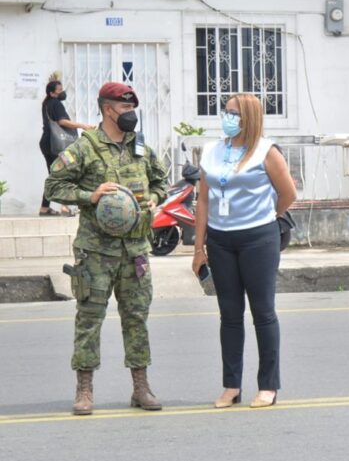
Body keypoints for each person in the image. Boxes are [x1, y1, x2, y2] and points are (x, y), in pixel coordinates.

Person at [44, 82, 168, 415]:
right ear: (108, 108)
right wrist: (90, 196)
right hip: (96, 252)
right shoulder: (84, 148)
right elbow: (54, 186)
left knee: (136, 318)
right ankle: (84, 389)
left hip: (136, 250)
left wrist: (155, 199)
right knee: (89, 319)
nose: (131, 114)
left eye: (133, 108)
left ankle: (141, 387)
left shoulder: (140, 146)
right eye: (125, 108)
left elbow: (160, 181)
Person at [192, 94, 297, 409]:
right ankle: (231, 385)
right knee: (229, 315)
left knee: (263, 313)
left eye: (234, 113)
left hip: (258, 240)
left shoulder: (266, 151)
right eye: (225, 112)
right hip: (220, 241)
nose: (228, 117)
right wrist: (199, 247)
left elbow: (288, 193)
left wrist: (264, 218)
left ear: (249, 117)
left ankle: (268, 386)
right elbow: (203, 200)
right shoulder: (212, 151)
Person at [39, 79, 95, 216]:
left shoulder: (46, 103)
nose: (62, 92)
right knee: (67, 171)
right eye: (59, 90)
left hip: (48, 143)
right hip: (58, 144)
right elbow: (62, 121)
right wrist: (83, 125)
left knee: (54, 175)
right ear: (52, 93)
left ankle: (45, 208)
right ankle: (65, 207)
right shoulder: (56, 103)